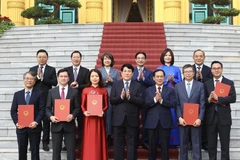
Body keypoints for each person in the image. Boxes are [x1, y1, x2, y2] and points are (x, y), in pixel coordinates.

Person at [110, 63, 144, 160]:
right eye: (125, 71)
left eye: (129, 71)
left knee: (132, 144)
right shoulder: (116, 84)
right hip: (118, 119)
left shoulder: (137, 85)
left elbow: (141, 101)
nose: (127, 73)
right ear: (121, 73)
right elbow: (112, 100)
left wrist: (130, 97)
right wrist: (121, 97)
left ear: (133, 73)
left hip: (132, 118)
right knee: (117, 144)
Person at [204, 61, 236, 160]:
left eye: (218, 68)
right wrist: (209, 99)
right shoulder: (207, 83)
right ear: (211, 70)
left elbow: (233, 98)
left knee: (225, 145)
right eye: (214, 68)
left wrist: (219, 99)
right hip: (210, 118)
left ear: (222, 69)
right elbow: (203, 100)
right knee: (211, 145)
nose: (216, 70)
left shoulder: (229, 82)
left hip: (224, 118)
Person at [46, 69, 80, 160]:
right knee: (56, 152)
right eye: (61, 76)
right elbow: (47, 108)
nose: (63, 78)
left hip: (69, 125)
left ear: (69, 78)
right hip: (56, 125)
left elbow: (77, 108)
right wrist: (51, 117)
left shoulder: (74, 92)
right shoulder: (51, 92)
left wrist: (72, 115)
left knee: (71, 152)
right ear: (58, 78)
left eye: (65, 76)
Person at [10, 71, 45, 160]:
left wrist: (36, 122)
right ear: (24, 80)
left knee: (35, 151)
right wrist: (17, 122)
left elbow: (42, 110)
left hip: (34, 127)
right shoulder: (17, 94)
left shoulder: (40, 93)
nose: (29, 80)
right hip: (21, 127)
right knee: (22, 151)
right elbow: (13, 111)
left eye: (31, 79)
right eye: (27, 78)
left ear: (34, 81)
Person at [144, 69, 177, 160]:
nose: (159, 78)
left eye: (161, 76)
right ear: (154, 78)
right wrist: (155, 100)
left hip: (165, 122)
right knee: (152, 147)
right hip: (152, 122)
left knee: (165, 147)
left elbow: (173, 103)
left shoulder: (170, 90)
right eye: (157, 76)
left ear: (165, 78)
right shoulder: (148, 90)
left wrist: (162, 101)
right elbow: (145, 104)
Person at [175, 64, 205, 160]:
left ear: (194, 73)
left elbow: (202, 103)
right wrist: (179, 117)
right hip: (182, 120)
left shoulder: (200, 85)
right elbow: (177, 104)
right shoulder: (178, 86)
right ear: (183, 73)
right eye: (186, 71)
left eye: (190, 71)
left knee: (196, 144)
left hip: (196, 120)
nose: (188, 73)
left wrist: (200, 118)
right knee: (183, 144)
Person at [29, 49, 57, 151]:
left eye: (44, 57)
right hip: (34, 99)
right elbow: (29, 82)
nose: (42, 59)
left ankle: (45, 143)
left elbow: (54, 82)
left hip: (46, 99)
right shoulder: (32, 69)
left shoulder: (51, 69)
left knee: (46, 122)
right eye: (39, 57)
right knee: (34, 121)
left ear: (47, 58)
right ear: (36, 58)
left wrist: (43, 78)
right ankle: (33, 144)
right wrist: (36, 77)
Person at [81, 69, 109, 160]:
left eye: (96, 76)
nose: (94, 78)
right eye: (92, 76)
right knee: (89, 140)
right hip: (89, 119)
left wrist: (103, 111)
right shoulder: (86, 90)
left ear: (99, 78)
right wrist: (85, 112)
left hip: (99, 119)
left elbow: (106, 105)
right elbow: (82, 105)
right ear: (89, 78)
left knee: (98, 139)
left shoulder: (103, 90)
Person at [156, 48, 182, 146]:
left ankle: (174, 141)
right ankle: (161, 141)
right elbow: (157, 80)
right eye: (166, 55)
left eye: (169, 55)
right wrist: (166, 80)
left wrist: (173, 80)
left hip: (173, 93)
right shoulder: (159, 68)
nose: (168, 57)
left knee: (173, 116)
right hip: (163, 93)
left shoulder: (176, 69)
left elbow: (180, 81)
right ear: (163, 57)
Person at [65, 50, 89, 149]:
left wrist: (79, 86)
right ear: (71, 59)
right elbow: (62, 82)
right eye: (74, 57)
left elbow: (88, 85)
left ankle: (80, 143)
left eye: (78, 57)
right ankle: (67, 144)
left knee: (80, 123)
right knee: (66, 122)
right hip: (67, 101)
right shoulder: (66, 71)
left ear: (81, 59)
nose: (76, 59)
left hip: (80, 100)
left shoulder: (86, 71)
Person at [132, 51, 154, 150]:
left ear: (145, 60)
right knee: (134, 121)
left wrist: (143, 79)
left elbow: (153, 83)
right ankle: (135, 142)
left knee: (146, 121)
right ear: (135, 60)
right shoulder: (131, 71)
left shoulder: (149, 72)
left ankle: (145, 141)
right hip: (134, 99)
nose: (140, 60)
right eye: (138, 58)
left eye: (142, 58)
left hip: (146, 99)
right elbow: (130, 81)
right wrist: (137, 78)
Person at [98, 52, 120, 147]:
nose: (107, 60)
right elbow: (96, 81)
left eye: (109, 59)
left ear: (111, 60)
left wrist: (112, 81)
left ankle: (109, 136)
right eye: (105, 59)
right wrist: (105, 82)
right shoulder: (98, 70)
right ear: (102, 60)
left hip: (112, 96)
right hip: (101, 96)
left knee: (110, 117)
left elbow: (119, 83)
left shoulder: (115, 71)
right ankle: (101, 136)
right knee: (102, 117)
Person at [192, 49, 213, 150]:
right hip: (192, 99)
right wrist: (195, 78)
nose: (199, 58)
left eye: (201, 56)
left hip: (205, 99)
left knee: (204, 121)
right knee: (191, 121)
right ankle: (191, 143)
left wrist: (202, 78)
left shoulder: (209, 70)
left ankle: (205, 142)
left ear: (204, 57)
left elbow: (212, 83)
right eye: (197, 56)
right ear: (193, 57)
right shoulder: (189, 68)